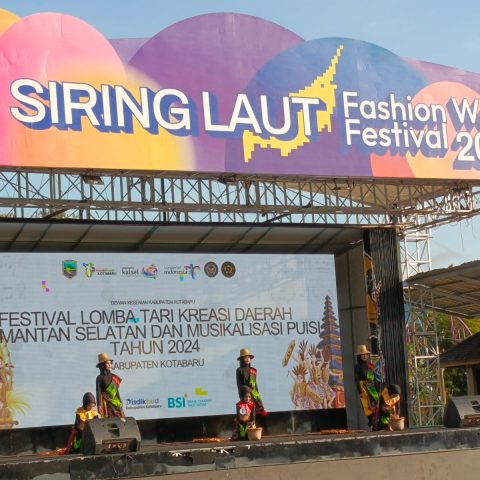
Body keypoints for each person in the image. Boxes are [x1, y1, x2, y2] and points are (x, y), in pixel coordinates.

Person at [236, 348, 267, 416]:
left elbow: (255, 384)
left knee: (257, 405)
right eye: (245, 357)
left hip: (253, 391)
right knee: (246, 389)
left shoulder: (253, 370)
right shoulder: (239, 370)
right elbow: (239, 384)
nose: (248, 359)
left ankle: (257, 411)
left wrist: (257, 395)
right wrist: (242, 395)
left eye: (249, 357)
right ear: (242, 359)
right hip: (244, 392)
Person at [354, 344, 379, 428]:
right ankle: (371, 422)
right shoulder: (357, 367)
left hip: (372, 387)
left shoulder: (370, 365)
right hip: (363, 388)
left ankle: (375, 422)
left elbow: (374, 378)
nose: (365, 356)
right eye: (362, 355)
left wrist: (377, 389)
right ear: (359, 356)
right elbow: (356, 379)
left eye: (366, 354)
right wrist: (360, 391)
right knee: (367, 405)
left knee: (375, 404)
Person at [95, 353, 125, 418]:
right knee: (109, 420)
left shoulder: (114, 377)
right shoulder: (99, 378)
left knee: (120, 419)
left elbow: (116, 392)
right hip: (106, 403)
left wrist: (119, 401)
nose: (110, 365)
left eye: (111, 363)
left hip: (115, 402)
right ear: (102, 365)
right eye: (107, 363)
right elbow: (98, 392)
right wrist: (99, 405)